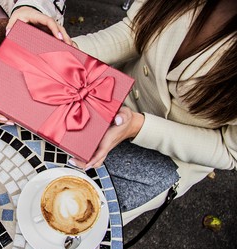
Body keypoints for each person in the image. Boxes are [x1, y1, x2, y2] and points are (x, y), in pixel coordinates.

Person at [69, 0, 237, 224]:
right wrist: (65, 53)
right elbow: (136, 29)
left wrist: (139, 127)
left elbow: (228, 150)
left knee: (77, 220)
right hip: (110, 99)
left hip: (169, 157)